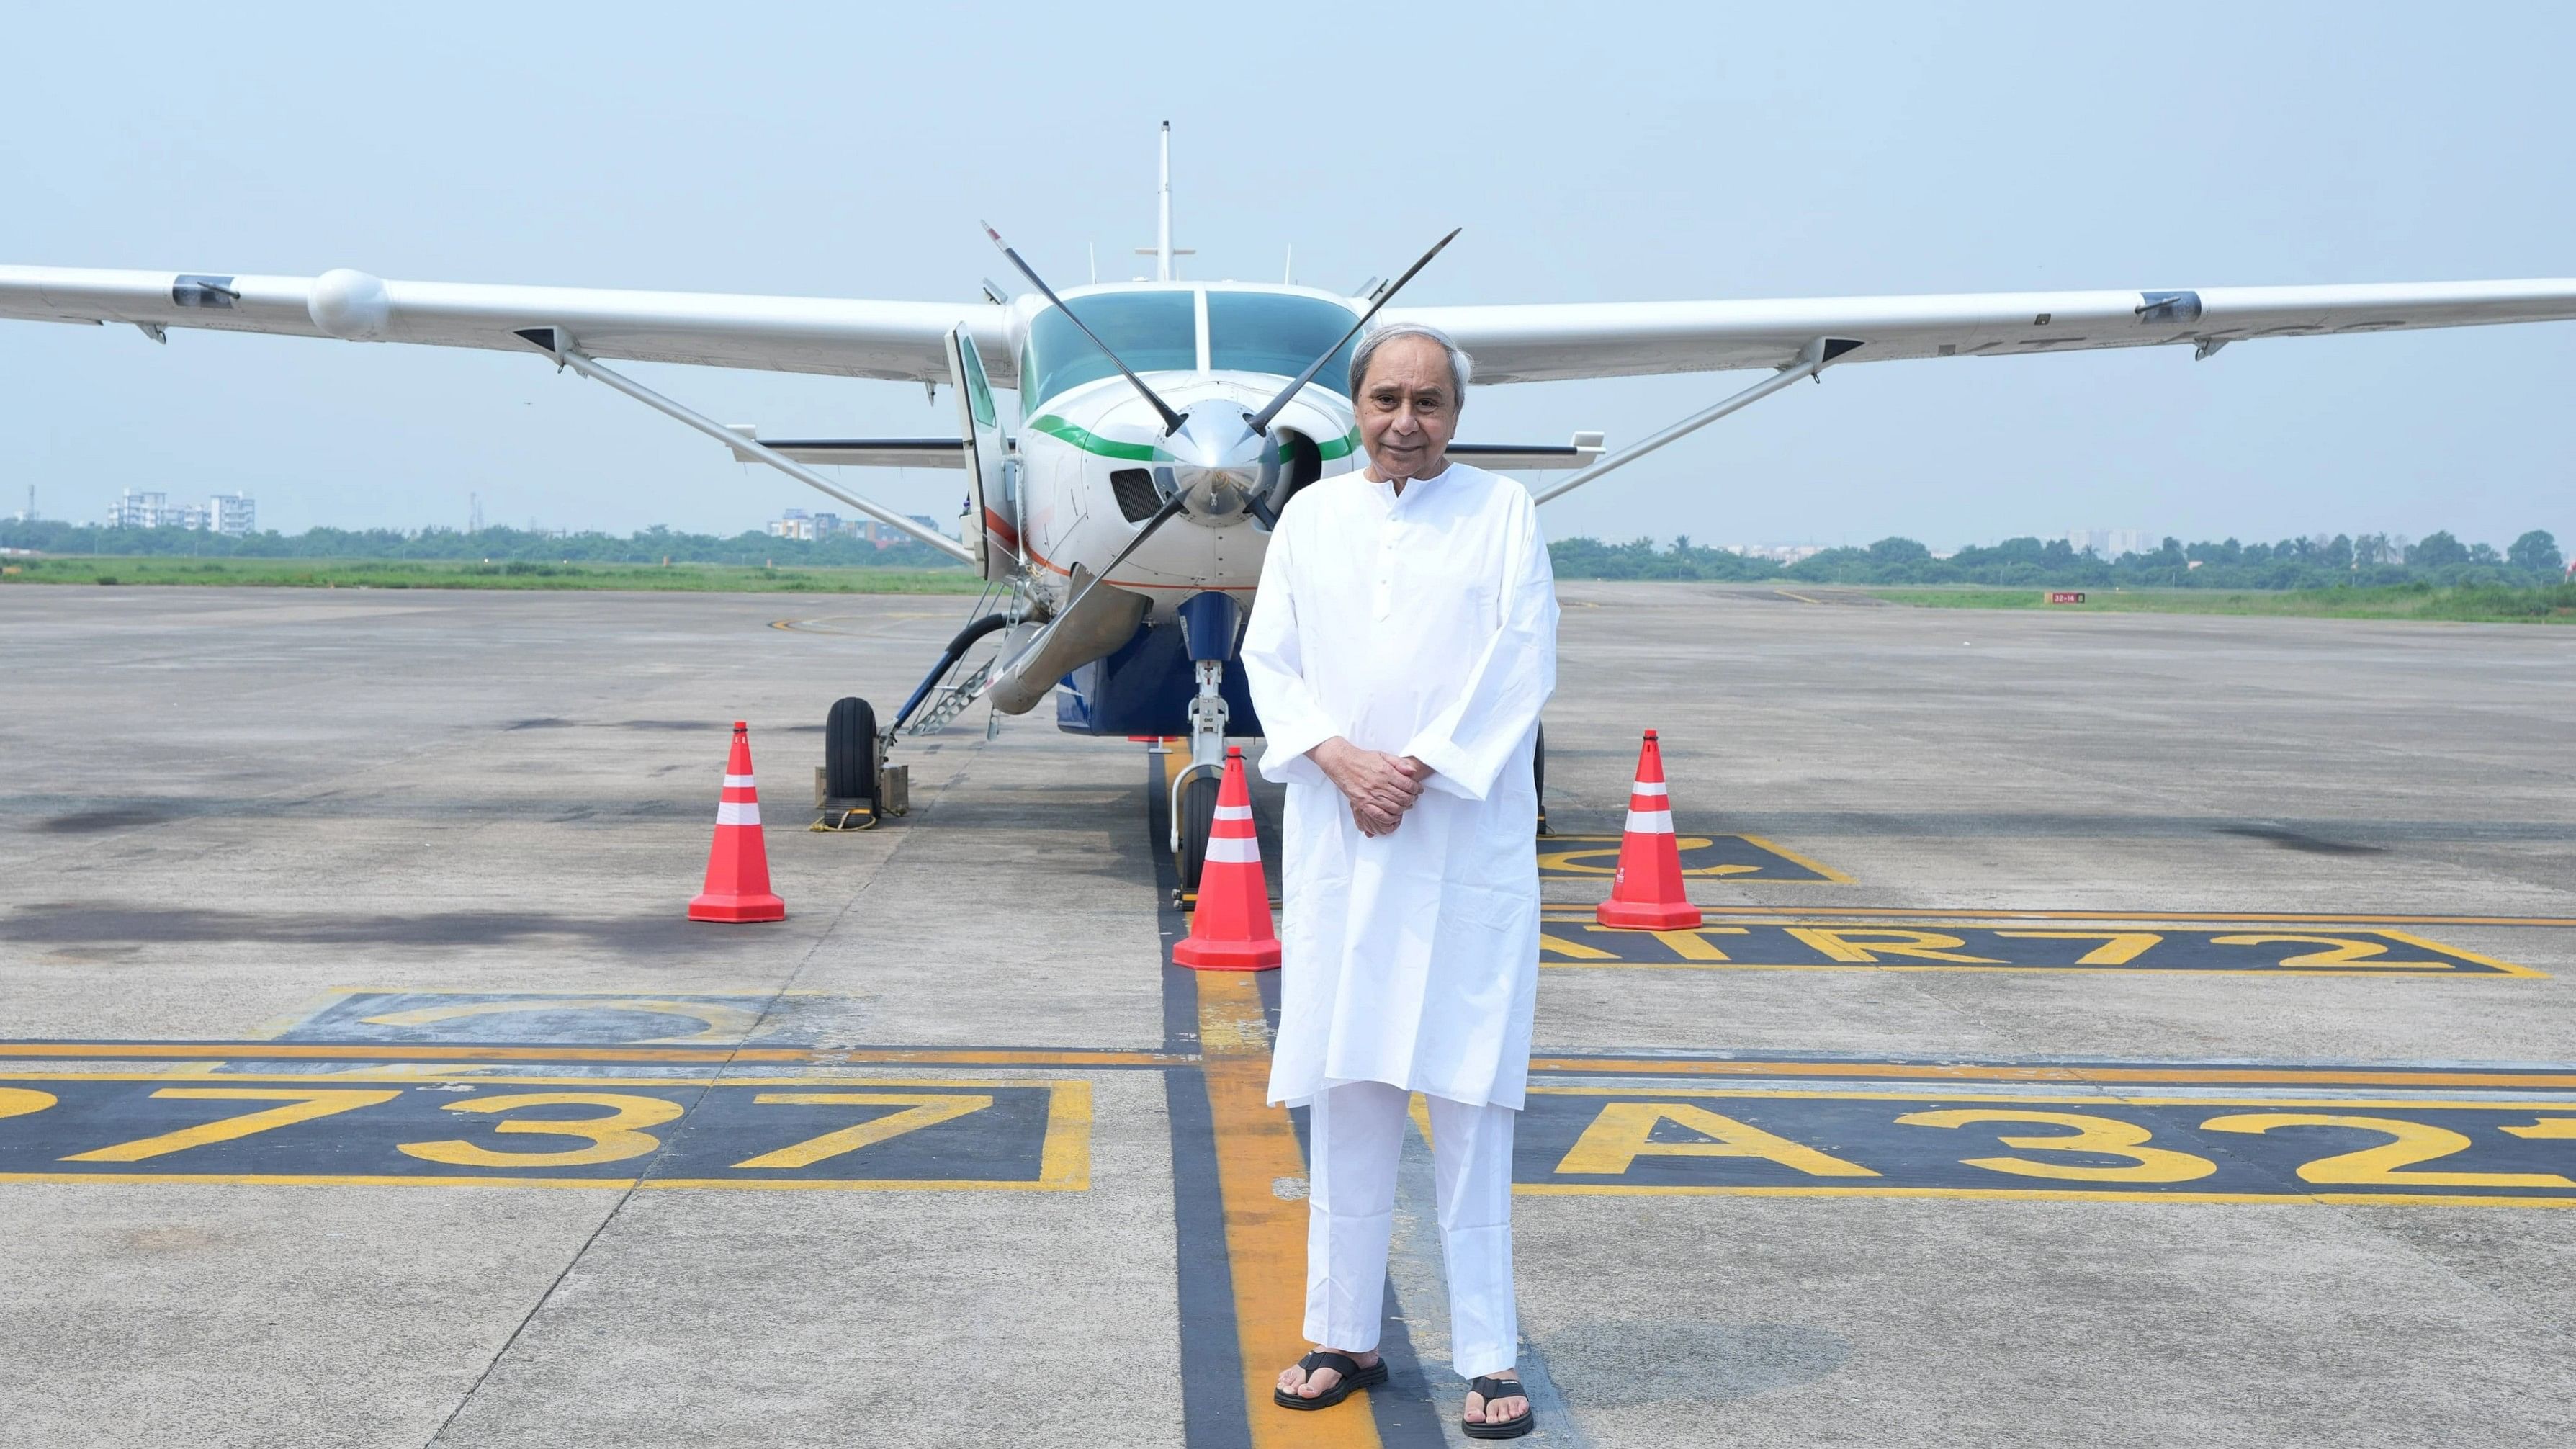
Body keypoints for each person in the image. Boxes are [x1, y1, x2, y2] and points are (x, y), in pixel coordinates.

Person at [1239, 321, 1559, 1439]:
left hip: (1459, 837)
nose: (1404, 422)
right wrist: (1339, 760)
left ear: (1456, 414)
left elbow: (1522, 652)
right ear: (1353, 407)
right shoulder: (1311, 516)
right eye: (1385, 400)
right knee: (1351, 1086)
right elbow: (1267, 659)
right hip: (1345, 840)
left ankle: (1485, 1352)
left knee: (1469, 1097)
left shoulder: (1501, 511)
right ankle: (1342, 1335)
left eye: (1427, 402)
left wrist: (1416, 767)